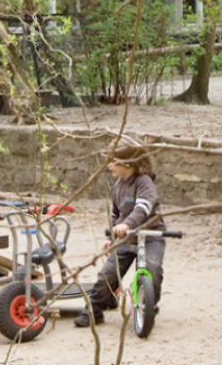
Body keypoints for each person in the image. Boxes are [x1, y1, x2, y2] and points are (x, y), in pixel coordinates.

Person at [73, 137, 166, 327]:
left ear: (127, 162)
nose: (109, 166)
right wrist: (114, 237)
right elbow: (116, 215)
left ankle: (149, 305)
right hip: (126, 239)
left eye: (112, 161)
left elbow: (143, 208)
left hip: (150, 237)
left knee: (153, 268)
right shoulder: (117, 187)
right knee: (108, 273)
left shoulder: (144, 182)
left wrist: (128, 224)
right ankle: (94, 309)